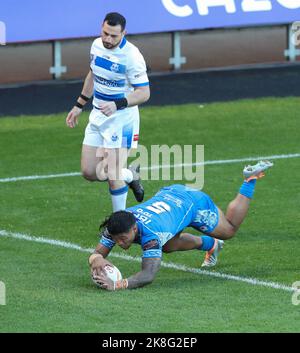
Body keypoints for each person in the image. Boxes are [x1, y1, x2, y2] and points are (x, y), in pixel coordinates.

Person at [88, 160, 273, 291]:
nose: (119, 243)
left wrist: (118, 284)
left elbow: (148, 274)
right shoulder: (116, 226)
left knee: (230, 229)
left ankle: (250, 180)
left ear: (135, 228)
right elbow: (97, 253)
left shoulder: (151, 236)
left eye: (123, 238)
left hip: (192, 202)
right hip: (170, 194)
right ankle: (212, 245)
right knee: (168, 246)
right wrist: (97, 260)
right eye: (116, 239)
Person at [66, 12, 150, 212]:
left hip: (122, 119)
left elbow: (144, 93)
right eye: (105, 33)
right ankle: (130, 175)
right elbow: (93, 74)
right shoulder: (96, 45)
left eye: (114, 36)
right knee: (88, 171)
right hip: (98, 115)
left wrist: (118, 104)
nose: (108, 39)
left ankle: (119, 225)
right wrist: (79, 105)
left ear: (124, 33)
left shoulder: (132, 56)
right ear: (101, 28)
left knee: (113, 174)